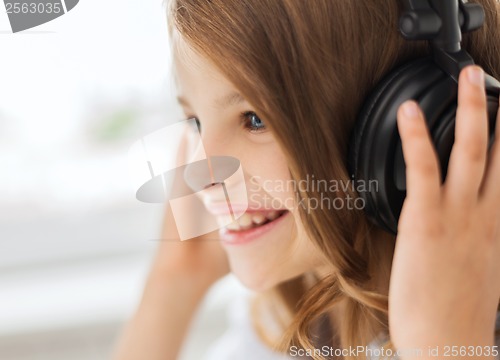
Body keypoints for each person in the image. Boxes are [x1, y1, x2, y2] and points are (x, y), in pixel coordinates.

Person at [113, 1, 500, 359]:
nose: (200, 175)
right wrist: (176, 278)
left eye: (255, 119)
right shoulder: (285, 329)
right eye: (194, 121)